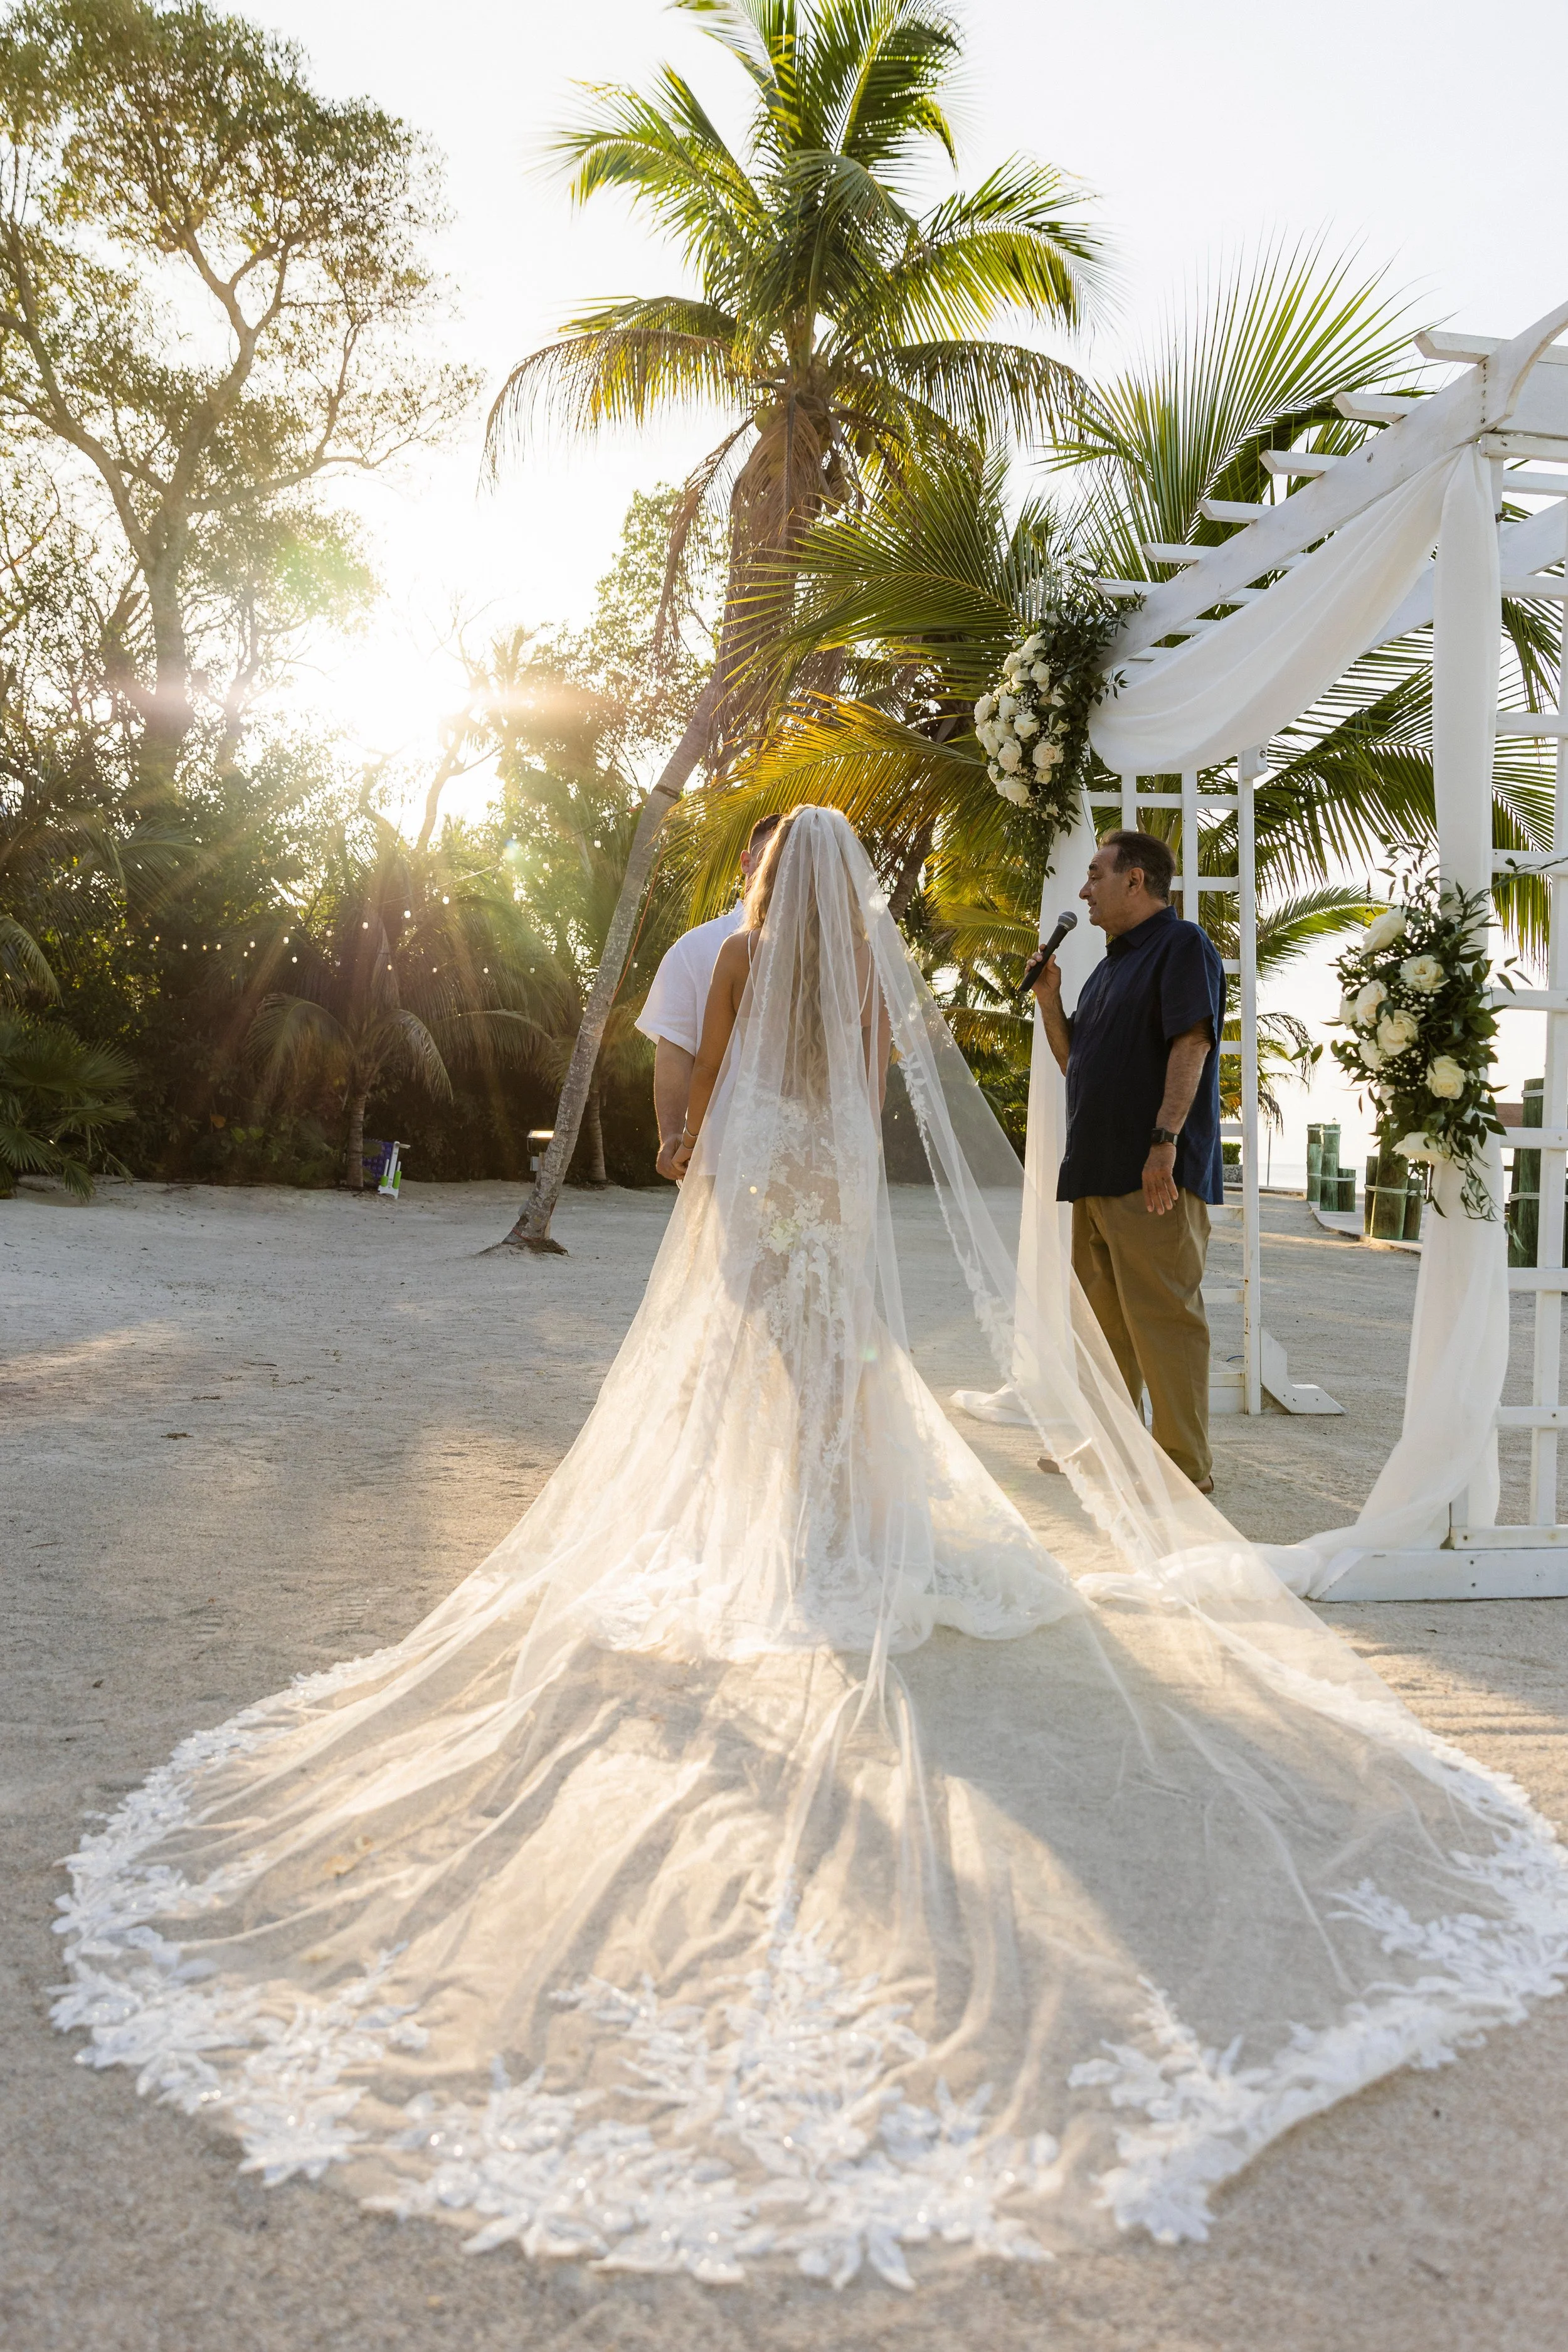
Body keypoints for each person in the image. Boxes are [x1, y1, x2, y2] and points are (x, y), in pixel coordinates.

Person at [53, 807, 1568, 2291]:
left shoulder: (737, 953)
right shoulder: (854, 971)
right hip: (828, 1170)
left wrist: (693, 1154)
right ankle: (843, 1522)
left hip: (766, 1162)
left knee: (770, 1354)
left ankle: (806, 1524)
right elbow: (880, 1075)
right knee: (840, 1360)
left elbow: (707, 1088)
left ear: (775, 873)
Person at [1031, 829, 1224, 1494]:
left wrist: (1164, 1140)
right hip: (1095, 1168)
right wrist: (1051, 997)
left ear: (1135, 880)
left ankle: (1181, 1468)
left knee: (1164, 1318)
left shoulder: (1181, 945)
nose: (1083, 890)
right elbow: (1073, 1061)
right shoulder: (1111, 965)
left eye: (1095, 875)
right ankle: (1111, 1448)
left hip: (1152, 1172)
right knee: (1102, 1328)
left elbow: (1192, 1041)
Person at [638, 811, 781, 1179]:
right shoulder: (696, 948)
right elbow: (675, 1049)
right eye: (769, 858)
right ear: (746, 863)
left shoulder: (828, 956)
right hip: (717, 1150)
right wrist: (672, 1134)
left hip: (799, 1153)